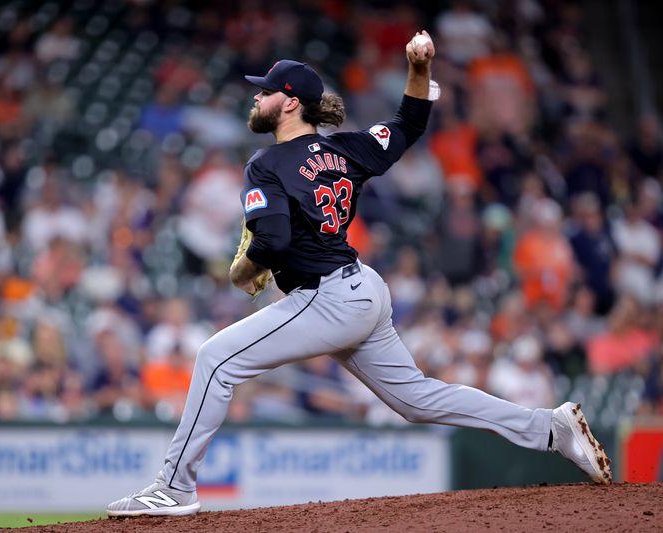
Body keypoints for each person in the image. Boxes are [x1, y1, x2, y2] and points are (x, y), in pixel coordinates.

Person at [107, 31, 611, 518]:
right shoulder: (346, 149)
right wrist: (419, 69)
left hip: (327, 297)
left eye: (263, 91)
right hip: (362, 289)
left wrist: (244, 266)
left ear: (288, 103)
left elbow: (274, 241)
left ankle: (173, 487)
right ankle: (550, 428)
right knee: (415, 398)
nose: (255, 98)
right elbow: (410, 123)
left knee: (215, 358)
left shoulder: (266, 163)